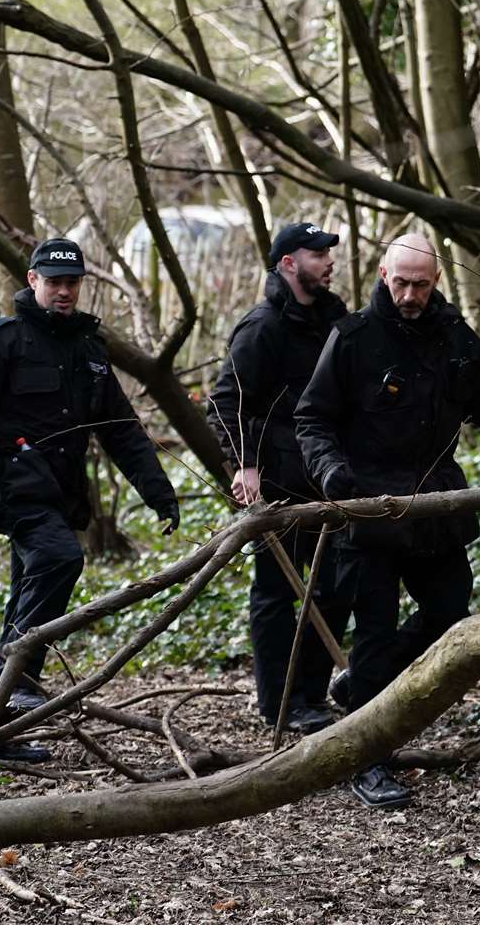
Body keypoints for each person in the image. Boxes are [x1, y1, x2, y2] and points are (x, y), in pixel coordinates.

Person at [296, 232, 480, 808]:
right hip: (368, 513)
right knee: (373, 634)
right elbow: (313, 419)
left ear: (436, 283)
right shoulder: (352, 340)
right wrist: (331, 474)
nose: (408, 294)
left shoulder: (455, 338)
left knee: (451, 616)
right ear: (382, 275)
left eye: (420, 285)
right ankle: (368, 757)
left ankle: (362, 690)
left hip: (437, 511)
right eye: (399, 282)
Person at [0, 238, 180, 762]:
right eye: (53, 281)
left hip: (59, 491)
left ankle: (2, 722)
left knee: (27, 590)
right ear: (32, 281)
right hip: (9, 486)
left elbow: (121, 429)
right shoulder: (3, 341)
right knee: (60, 557)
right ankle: (14, 683)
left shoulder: (86, 349)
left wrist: (157, 491)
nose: (63, 291)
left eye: (72, 282)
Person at [207, 221, 351, 734]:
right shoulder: (262, 326)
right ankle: (279, 702)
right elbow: (225, 403)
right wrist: (246, 464)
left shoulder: (335, 319)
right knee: (275, 594)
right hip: (277, 484)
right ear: (289, 264)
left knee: (335, 588)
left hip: (330, 479)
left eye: (327, 253)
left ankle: (311, 693)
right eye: (317, 254)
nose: (328, 262)